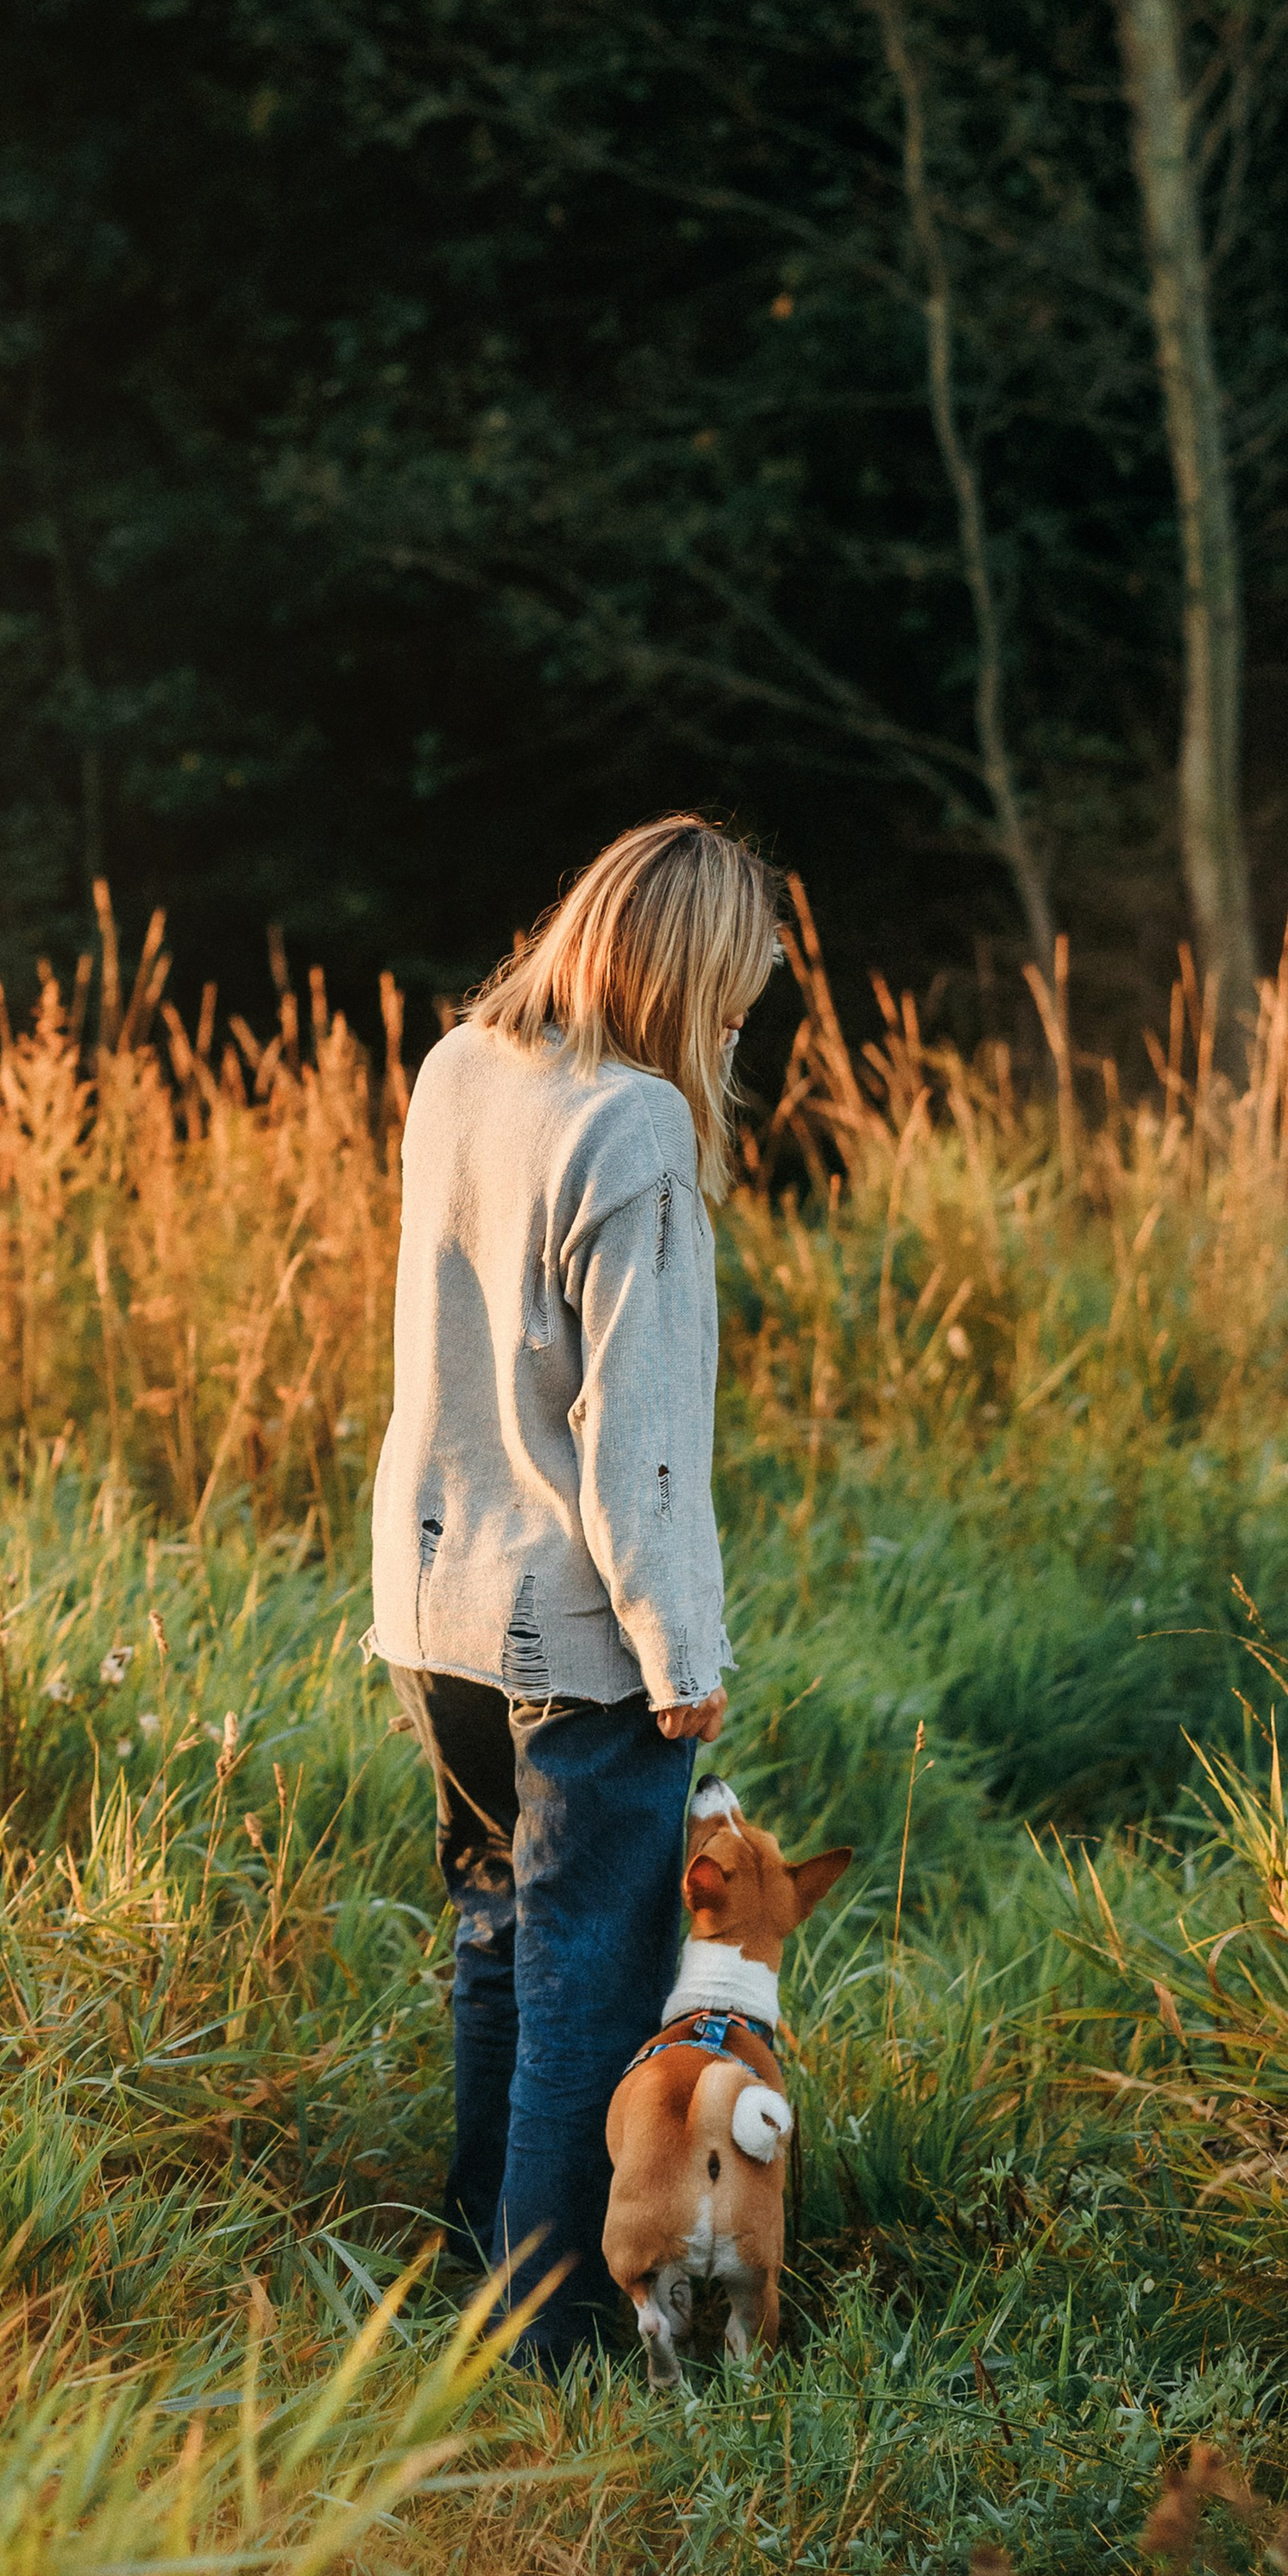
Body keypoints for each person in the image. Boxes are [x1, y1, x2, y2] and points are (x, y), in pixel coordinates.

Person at [369, 812, 782, 2371]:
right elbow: (644, 1444)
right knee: (589, 1988)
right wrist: (683, 1647)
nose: (741, 1022)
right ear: (682, 969)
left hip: (434, 1615)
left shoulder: (458, 1069)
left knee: (493, 1942)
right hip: (576, 1634)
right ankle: (546, 2344)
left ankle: (482, 2274)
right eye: (736, 990)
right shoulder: (635, 1127)